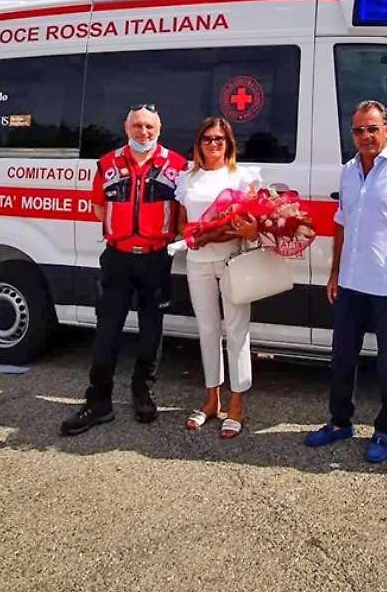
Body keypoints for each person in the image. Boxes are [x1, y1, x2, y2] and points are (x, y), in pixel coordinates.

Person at [305, 100, 387, 463]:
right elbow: (342, 222)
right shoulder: (348, 171)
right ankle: (339, 421)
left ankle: (384, 429)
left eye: (372, 128)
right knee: (342, 357)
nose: (365, 136)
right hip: (350, 283)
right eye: (359, 130)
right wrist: (334, 272)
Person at [60, 105, 186, 436]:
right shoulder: (107, 163)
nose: (143, 132)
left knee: (150, 330)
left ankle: (142, 392)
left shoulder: (176, 166)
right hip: (117, 257)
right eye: (136, 126)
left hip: (156, 258)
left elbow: (182, 210)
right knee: (107, 330)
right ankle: (99, 400)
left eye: (149, 126)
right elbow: (99, 206)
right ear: (125, 127)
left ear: (159, 128)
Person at [174, 117, 260, 439]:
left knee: (237, 331)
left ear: (229, 143)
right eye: (208, 138)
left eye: (220, 139)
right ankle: (212, 399)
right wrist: (197, 234)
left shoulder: (241, 178)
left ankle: (236, 405)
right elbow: (183, 222)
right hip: (198, 263)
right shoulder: (188, 178)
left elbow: (253, 225)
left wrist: (246, 231)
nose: (213, 143)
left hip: (231, 261)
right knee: (208, 331)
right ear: (198, 143)